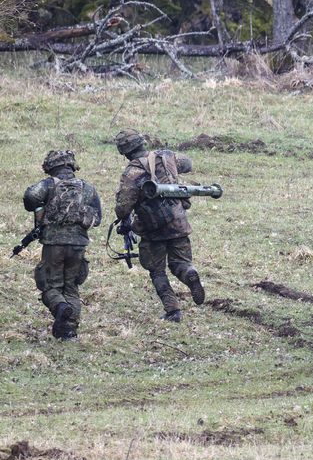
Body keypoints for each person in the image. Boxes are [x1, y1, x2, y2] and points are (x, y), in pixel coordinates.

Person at [113, 129, 206, 322]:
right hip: (179, 223)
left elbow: (123, 208)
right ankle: (190, 273)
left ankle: (173, 310)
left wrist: (124, 219)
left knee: (157, 270)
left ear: (125, 152)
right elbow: (187, 164)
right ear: (142, 143)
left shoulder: (132, 172)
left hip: (152, 230)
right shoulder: (166, 156)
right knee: (180, 263)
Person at [23, 150, 101, 340]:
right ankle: (69, 333)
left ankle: (60, 307)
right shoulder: (87, 188)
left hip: (53, 244)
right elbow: (97, 217)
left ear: (51, 167)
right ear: (71, 166)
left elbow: (30, 197)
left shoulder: (48, 185)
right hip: (78, 245)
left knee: (50, 286)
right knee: (72, 287)